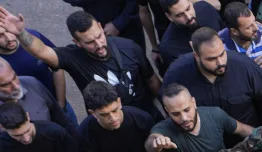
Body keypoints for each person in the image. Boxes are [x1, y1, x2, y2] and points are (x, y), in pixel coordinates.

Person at [0, 8, 161, 115]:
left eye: (99, 36)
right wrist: (21, 33)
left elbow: (151, 79)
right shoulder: (73, 57)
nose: (99, 45)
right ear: (77, 42)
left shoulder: (129, 47)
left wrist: (166, 106)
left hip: (144, 113)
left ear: (100, 26)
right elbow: (42, 52)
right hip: (107, 121)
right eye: (90, 42)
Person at [78, 81, 168, 152]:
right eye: (104, 115)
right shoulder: (85, 133)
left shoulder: (141, 118)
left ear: (119, 102)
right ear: (92, 113)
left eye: (114, 110)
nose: (113, 118)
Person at [163, 27, 262, 126]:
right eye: (211, 59)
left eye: (222, 54)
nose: (220, 62)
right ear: (196, 56)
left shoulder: (245, 67)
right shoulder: (176, 76)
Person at [219, 2, 262, 91]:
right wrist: (250, 69)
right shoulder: (220, 47)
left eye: (254, 21)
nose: (256, 28)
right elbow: (223, 82)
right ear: (234, 32)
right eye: (249, 27)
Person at [0, 58, 74, 134]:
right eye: (5, 85)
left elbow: (60, 118)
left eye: (15, 77)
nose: (16, 86)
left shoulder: (32, 83)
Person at [157, 0, 225, 73]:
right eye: (180, 15)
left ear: (190, 2)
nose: (189, 17)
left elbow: (226, 36)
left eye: (188, 9)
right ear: (169, 17)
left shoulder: (206, 8)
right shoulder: (168, 48)